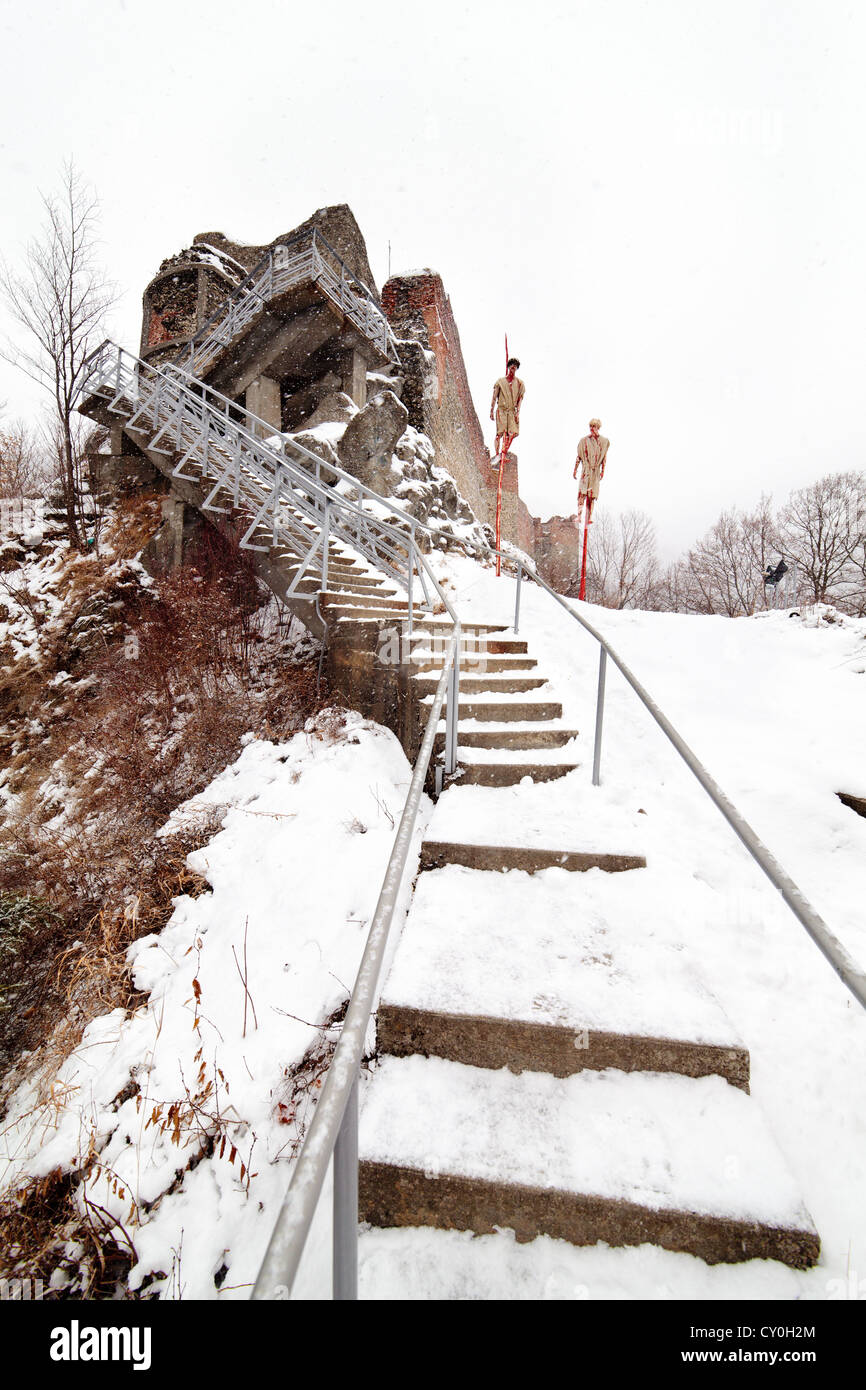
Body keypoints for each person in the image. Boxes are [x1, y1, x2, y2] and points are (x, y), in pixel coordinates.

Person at [573, 418, 609, 525]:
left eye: (593, 427)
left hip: (595, 471)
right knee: (582, 494)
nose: (591, 429)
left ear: (597, 428)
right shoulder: (584, 441)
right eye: (590, 426)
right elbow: (579, 456)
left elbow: (604, 458)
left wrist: (602, 470)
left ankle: (589, 516)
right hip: (586, 470)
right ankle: (579, 516)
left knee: (591, 495)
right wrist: (575, 470)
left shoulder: (603, 442)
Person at [490, 358, 525, 466]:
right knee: (499, 434)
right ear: (508, 367)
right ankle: (497, 455)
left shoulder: (519, 383)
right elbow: (494, 397)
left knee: (513, 432)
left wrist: (518, 413)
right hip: (502, 410)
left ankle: (503, 452)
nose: (512, 369)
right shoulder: (500, 382)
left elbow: (520, 399)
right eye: (511, 367)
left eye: (515, 367)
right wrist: (491, 410)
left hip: (511, 412)